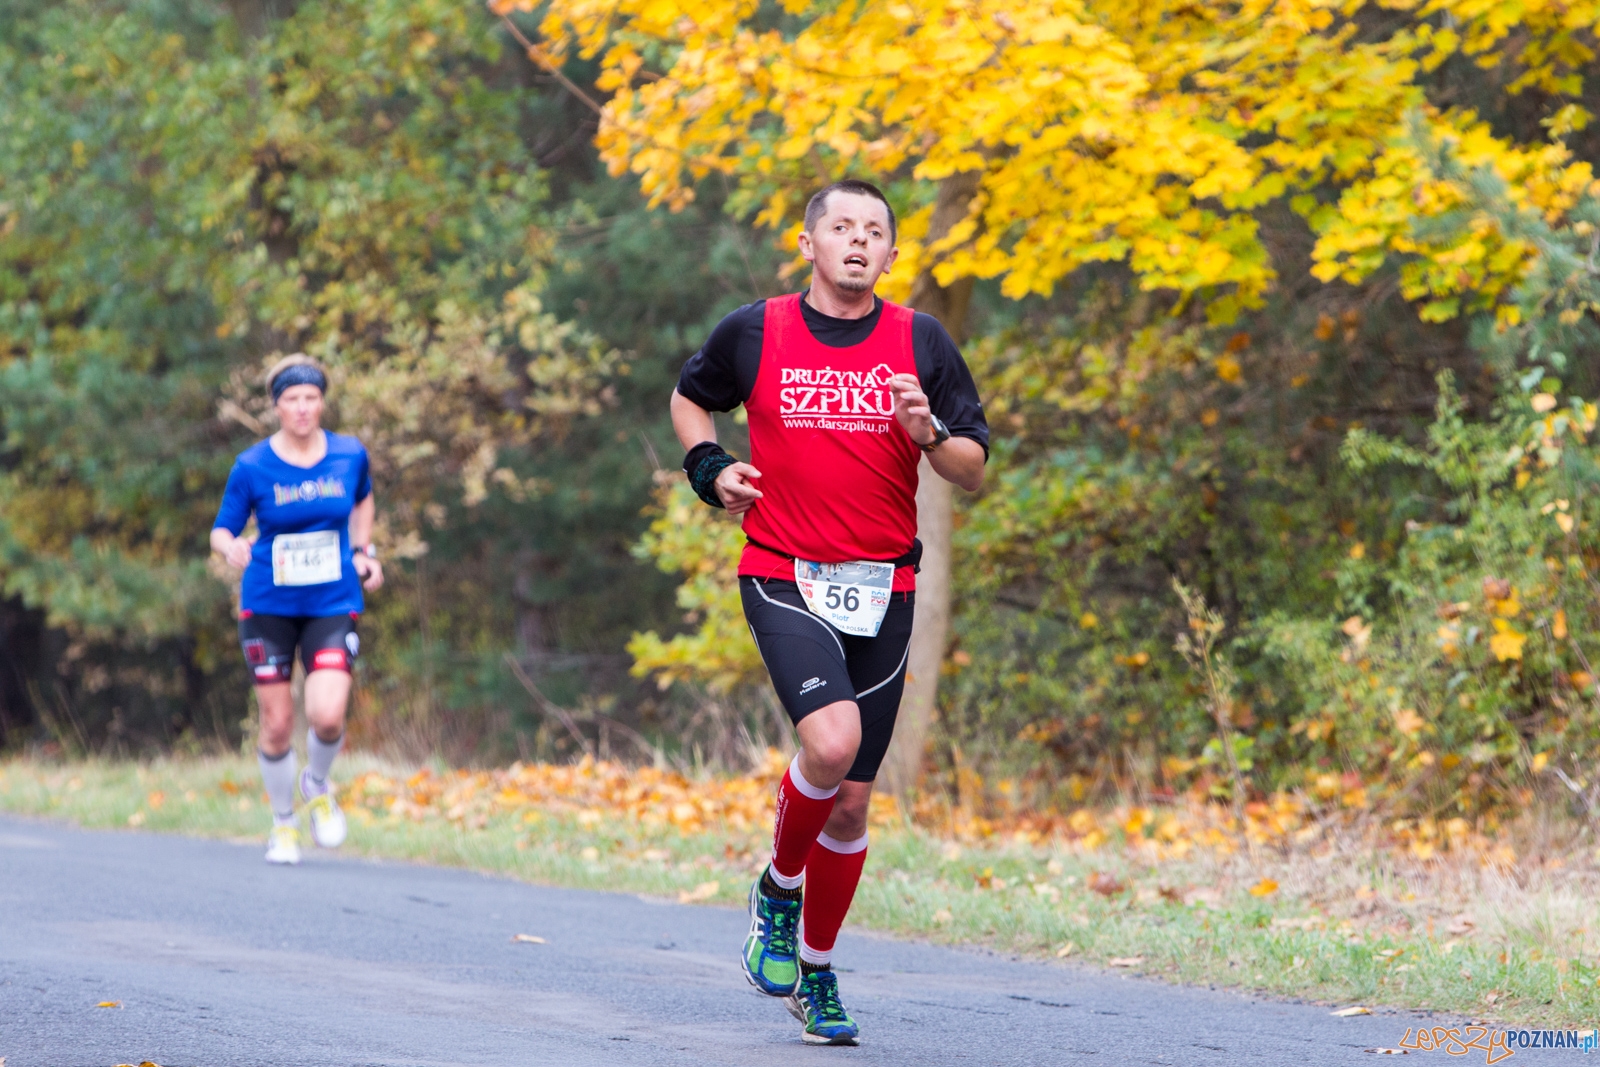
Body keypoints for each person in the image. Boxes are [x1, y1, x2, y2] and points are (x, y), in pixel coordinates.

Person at [671, 179, 988, 1045]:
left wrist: (928, 433)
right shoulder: (755, 330)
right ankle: (779, 887)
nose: (858, 241)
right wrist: (709, 467)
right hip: (783, 569)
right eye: (841, 227)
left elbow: (971, 467)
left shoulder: (920, 340)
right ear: (808, 243)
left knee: (850, 806)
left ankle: (815, 970)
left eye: (874, 231)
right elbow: (690, 397)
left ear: (891, 253)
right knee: (832, 741)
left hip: (885, 586)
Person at [210, 355, 384, 865]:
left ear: (322, 402)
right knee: (277, 722)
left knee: (327, 716)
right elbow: (222, 528)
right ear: (277, 406)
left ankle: (317, 783)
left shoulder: (349, 454)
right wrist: (230, 547)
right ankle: (283, 823)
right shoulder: (252, 465)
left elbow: (363, 499)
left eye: (312, 398)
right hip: (269, 605)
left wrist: (365, 551)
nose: (303, 408)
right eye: (293, 399)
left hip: (332, 601)